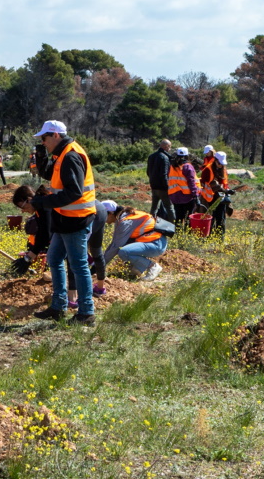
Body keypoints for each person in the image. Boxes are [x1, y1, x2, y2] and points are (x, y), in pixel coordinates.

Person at [30, 120, 96, 326]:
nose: (43, 142)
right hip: (64, 217)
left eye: (44, 138)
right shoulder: (62, 154)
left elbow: (74, 192)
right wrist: (41, 157)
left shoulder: (70, 155)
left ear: (55, 135)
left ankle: (86, 312)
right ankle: (58, 307)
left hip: (76, 218)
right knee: (54, 257)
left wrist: (43, 202)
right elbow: (49, 174)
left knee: (78, 265)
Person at [103, 201, 169, 280]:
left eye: (102, 215)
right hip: (154, 241)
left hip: (156, 244)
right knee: (124, 246)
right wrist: (100, 262)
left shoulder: (125, 222)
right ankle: (137, 270)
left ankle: (152, 266)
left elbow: (116, 246)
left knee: (124, 251)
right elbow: (114, 243)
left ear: (110, 213)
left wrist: (99, 265)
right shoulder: (122, 217)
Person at [11, 184, 51, 274]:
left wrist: (28, 258)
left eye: (23, 207)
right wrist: (29, 257)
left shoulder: (45, 207)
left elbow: (46, 234)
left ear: (29, 200)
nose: (23, 211)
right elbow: (41, 233)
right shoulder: (38, 210)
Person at [200, 149, 229, 237]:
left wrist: (226, 191)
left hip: (220, 197)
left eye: (222, 164)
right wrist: (216, 187)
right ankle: (209, 237)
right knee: (210, 219)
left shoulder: (223, 170)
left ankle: (220, 238)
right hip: (209, 198)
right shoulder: (207, 170)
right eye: (219, 163)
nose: (221, 165)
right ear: (215, 160)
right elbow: (204, 183)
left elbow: (224, 182)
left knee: (221, 219)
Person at [168, 147, 200, 225]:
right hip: (187, 197)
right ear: (187, 156)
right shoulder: (188, 166)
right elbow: (191, 182)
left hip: (175, 196)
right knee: (188, 218)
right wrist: (195, 195)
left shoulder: (172, 166)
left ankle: (178, 234)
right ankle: (187, 234)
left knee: (178, 217)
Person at [146, 139, 175, 222]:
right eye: (169, 147)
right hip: (162, 188)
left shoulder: (151, 156)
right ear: (166, 147)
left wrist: (152, 181)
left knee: (154, 208)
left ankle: (150, 224)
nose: (170, 149)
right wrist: (167, 187)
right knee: (170, 208)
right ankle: (174, 226)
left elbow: (148, 172)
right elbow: (164, 174)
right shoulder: (165, 158)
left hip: (153, 186)